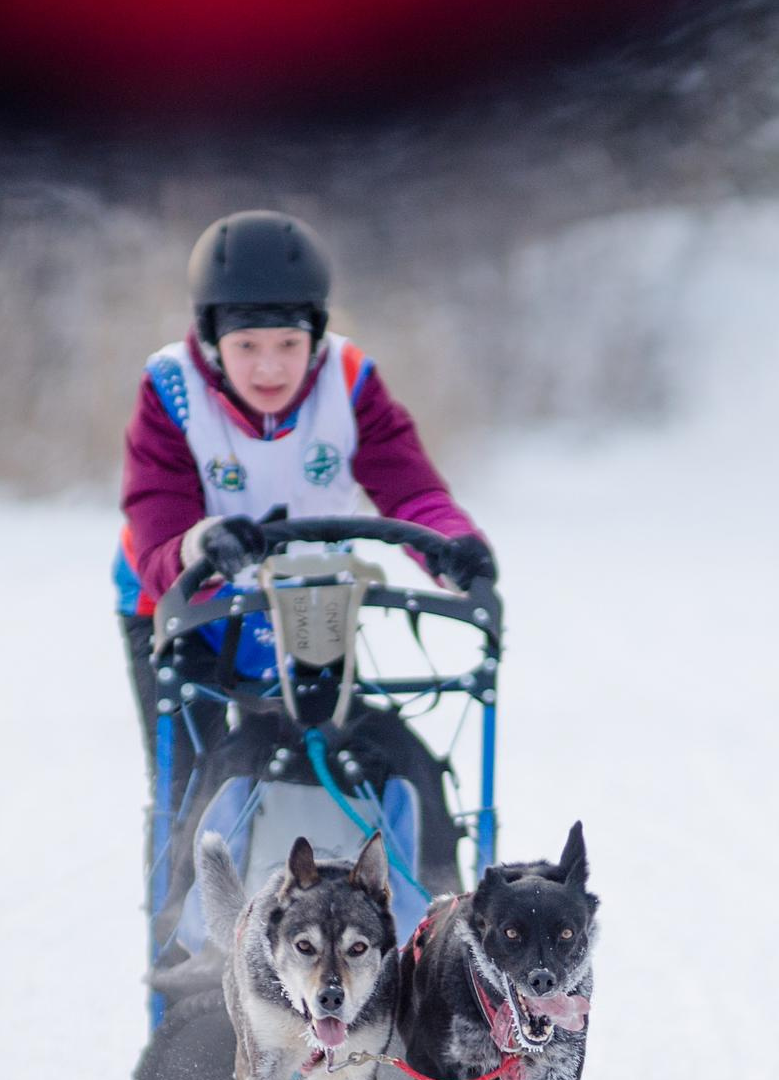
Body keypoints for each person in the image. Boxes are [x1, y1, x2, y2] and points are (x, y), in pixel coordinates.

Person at [114, 209, 496, 801]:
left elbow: (411, 489)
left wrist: (450, 549)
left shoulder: (348, 379)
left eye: (289, 344)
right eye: (247, 346)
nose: (270, 367)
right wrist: (204, 543)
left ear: (316, 334)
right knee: (191, 786)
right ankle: (178, 893)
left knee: (322, 760)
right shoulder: (172, 390)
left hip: (312, 591)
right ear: (212, 341)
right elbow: (158, 533)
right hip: (181, 601)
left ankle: (339, 884)